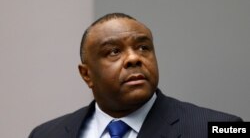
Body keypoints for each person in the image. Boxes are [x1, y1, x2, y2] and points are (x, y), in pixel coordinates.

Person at [29, 13, 242, 138]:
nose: (133, 58)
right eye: (113, 51)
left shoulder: (223, 127)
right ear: (87, 74)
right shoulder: (45, 134)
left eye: (142, 47)